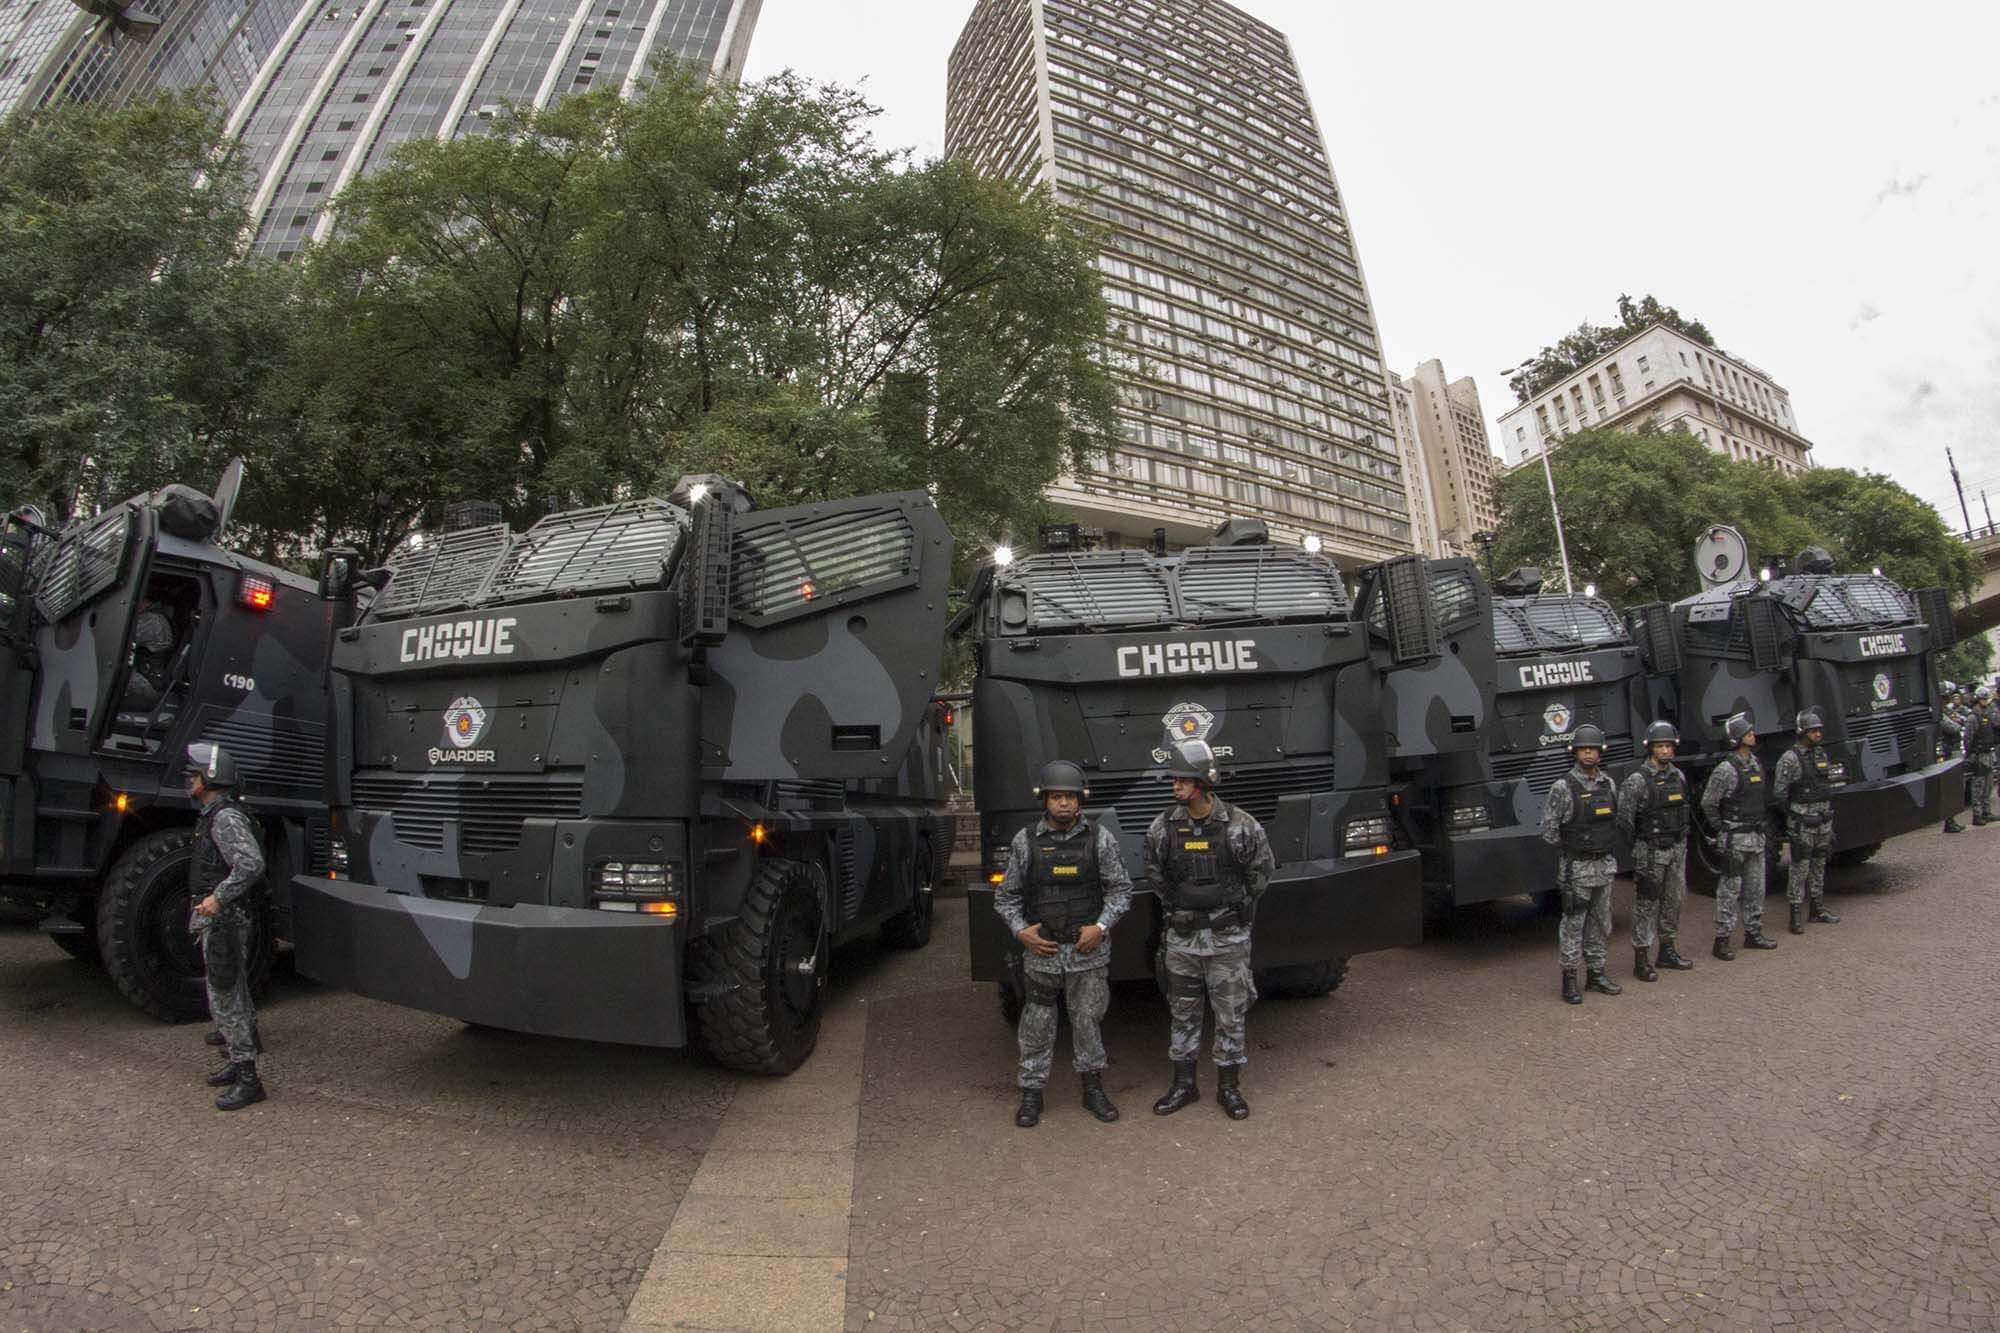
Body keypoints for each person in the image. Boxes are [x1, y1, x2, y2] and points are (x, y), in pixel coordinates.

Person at [992, 759, 1133, 1129]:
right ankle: (1031, 1092)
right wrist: (1021, 932)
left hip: (1088, 954)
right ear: (1045, 800)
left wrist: (1100, 927)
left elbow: (1121, 891)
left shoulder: (1100, 839)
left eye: (1070, 797)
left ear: (1080, 799)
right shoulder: (1025, 841)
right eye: (1056, 797)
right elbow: (1005, 897)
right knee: (1036, 1025)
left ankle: (1093, 1089)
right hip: (1042, 954)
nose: (1064, 803)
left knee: (1087, 1022)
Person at [1144, 738, 1273, 1120]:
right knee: (1182, 1013)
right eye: (1174, 780)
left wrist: (1228, 907)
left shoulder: (1240, 825)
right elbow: (1154, 873)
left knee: (1230, 1014)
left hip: (1227, 940)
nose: (1176, 786)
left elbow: (1261, 873)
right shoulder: (1163, 827)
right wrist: (1185, 906)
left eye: (1183, 780)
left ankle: (1229, 1088)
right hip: (1182, 940)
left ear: (1204, 781)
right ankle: (1184, 1085)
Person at [187, 742, 268, 1111]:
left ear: (210, 777)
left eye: (195, 774)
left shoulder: (224, 818)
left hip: (225, 920)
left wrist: (218, 899)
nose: (190, 780)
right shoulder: (217, 814)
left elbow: (250, 863)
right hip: (223, 920)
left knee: (225, 995)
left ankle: (249, 1079)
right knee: (232, 990)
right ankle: (238, 1064)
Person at [1541, 723, 1622, 1003]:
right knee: (1573, 926)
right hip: (1576, 870)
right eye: (1583, 749)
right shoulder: (1563, 787)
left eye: (1593, 749)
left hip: (1604, 867)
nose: (1588, 754)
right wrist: (1575, 846)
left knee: (1601, 922)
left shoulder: (1608, 784)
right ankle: (1570, 979)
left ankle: (1596, 974)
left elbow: (1614, 821)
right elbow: (1549, 832)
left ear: (1601, 753)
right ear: (1574, 752)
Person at [1617, 720, 1695, 980]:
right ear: (1650, 748)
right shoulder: (1637, 781)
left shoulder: (1678, 776)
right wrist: (1642, 845)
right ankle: (1641, 958)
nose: (1665, 751)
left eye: (1669, 746)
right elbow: (1625, 820)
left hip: (1676, 849)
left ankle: (1667, 951)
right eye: (1660, 746)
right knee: (1646, 905)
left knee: (1674, 900)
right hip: (1650, 852)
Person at [1702, 714, 1780, 959]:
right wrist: (1722, 828)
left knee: (1756, 888)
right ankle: (1722, 939)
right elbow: (1708, 803)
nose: (1752, 735)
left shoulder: (1756, 763)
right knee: (1729, 891)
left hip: (1756, 837)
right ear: (1736, 738)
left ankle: (1753, 933)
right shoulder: (1725, 770)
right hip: (1735, 841)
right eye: (1747, 732)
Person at [1772, 708, 1840, 935]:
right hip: (1803, 823)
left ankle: (1817, 909)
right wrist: (1795, 817)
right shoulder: (1789, 759)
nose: (1818, 734)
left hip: (1823, 821)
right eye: (1813, 730)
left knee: (1819, 865)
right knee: (1799, 868)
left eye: (1819, 730)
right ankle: (1795, 915)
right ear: (1802, 732)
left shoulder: (1821, 754)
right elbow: (1779, 794)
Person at [1968, 685, 1998, 826]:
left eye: (1986, 699)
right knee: (1978, 786)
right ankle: (1977, 814)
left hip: (1988, 753)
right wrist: (1971, 755)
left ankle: (1986, 811)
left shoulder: (1987, 714)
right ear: (1977, 700)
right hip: (1978, 755)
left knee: (1989, 785)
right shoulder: (1973, 717)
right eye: (1983, 699)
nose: (1985, 702)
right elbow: (1968, 738)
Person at [1941, 687, 1968, 834]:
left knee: (1956, 786)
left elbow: (1962, 719)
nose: (1948, 699)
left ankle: (1951, 821)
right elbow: (1953, 727)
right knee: (1951, 786)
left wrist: (1958, 721)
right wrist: (1957, 722)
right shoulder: (1939, 712)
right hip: (1949, 751)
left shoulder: (1947, 710)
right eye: (1945, 697)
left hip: (1955, 749)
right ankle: (1949, 822)